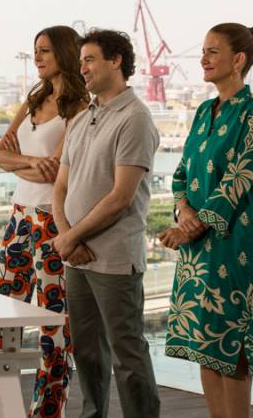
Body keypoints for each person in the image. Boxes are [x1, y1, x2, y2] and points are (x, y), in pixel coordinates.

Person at [158, 23, 253, 418]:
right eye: (203, 51)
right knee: (207, 347)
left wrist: (192, 224)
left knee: (234, 349)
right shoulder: (204, 111)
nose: (203, 59)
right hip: (198, 251)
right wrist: (184, 212)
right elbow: (180, 175)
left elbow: (238, 181)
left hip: (238, 246)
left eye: (212, 51)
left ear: (238, 60)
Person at [0, 25, 89, 418]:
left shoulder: (77, 107)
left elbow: (55, 170)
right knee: (1, 323)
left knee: (54, 330)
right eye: (35, 51)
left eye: (44, 51)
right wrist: (28, 162)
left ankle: (47, 413)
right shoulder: (32, 101)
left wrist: (23, 164)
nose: (38, 58)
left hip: (53, 222)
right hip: (19, 220)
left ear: (63, 53)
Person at [52, 28, 161, 418]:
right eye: (81, 61)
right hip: (76, 256)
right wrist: (67, 237)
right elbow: (60, 186)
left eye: (90, 59)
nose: (82, 68)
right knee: (87, 352)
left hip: (114, 257)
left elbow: (121, 197)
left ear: (116, 61)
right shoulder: (82, 119)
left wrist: (72, 237)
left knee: (127, 355)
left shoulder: (135, 119)